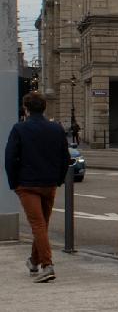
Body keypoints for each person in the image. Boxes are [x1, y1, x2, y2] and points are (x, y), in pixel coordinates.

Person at [5, 92, 71, 283]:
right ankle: (33, 262)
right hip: (49, 184)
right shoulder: (56, 129)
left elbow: (10, 158)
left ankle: (47, 265)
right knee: (42, 224)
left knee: (38, 225)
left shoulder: (19, 129)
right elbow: (65, 158)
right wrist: (57, 180)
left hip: (27, 184)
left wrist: (14, 182)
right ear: (44, 108)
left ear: (26, 109)